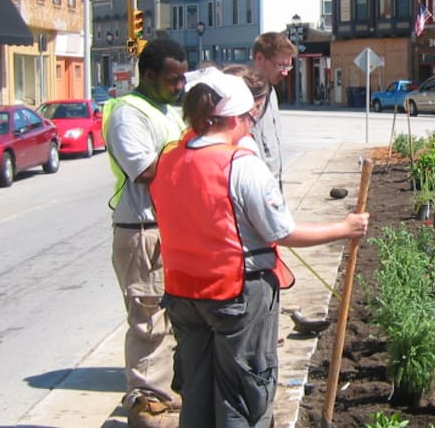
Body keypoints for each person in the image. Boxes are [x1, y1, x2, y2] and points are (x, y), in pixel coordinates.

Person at [150, 72, 370, 427]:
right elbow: (281, 231)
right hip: (235, 292)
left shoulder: (169, 160)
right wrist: (344, 229)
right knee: (241, 393)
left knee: (197, 389)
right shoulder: (240, 166)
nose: (250, 127)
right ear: (236, 118)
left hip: (183, 293)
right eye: (250, 119)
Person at [102, 37, 188, 428]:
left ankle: (165, 397)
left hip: (168, 229)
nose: (180, 86)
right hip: (142, 231)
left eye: (183, 78)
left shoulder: (166, 110)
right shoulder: (128, 114)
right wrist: (196, 157)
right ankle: (148, 411)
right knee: (149, 322)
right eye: (173, 79)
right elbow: (146, 170)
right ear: (148, 75)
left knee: (172, 321)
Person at [250, 32, 298, 188]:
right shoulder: (246, 98)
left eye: (288, 66)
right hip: (257, 187)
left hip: (273, 184)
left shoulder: (271, 92)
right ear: (259, 59)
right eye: (280, 66)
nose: (285, 72)